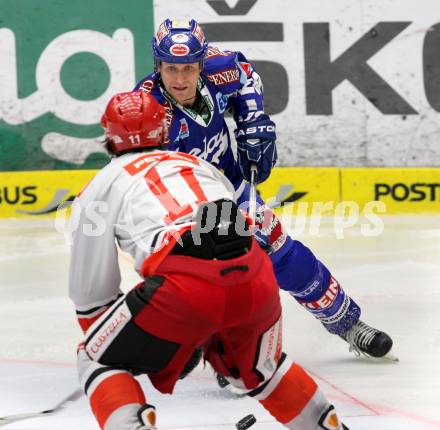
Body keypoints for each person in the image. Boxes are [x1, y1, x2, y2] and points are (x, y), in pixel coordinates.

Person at [68, 91, 350, 430]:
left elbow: (91, 298)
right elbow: (223, 242)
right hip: (256, 274)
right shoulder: (200, 166)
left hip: (185, 286)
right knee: (260, 371)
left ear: (108, 136)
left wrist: (123, 345)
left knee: (95, 356)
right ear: (164, 131)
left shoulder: (98, 189)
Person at [134, 18, 394, 359]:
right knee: (215, 277)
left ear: (200, 63)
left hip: (229, 183)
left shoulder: (218, 70)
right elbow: (143, 178)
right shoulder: (148, 111)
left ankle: (347, 323)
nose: (180, 79)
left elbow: (244, 74)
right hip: (181, 211)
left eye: (188, 68)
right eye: (171, 69)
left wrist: (253, 119)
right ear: (158, 66)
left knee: (280, 250)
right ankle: (228, 354)